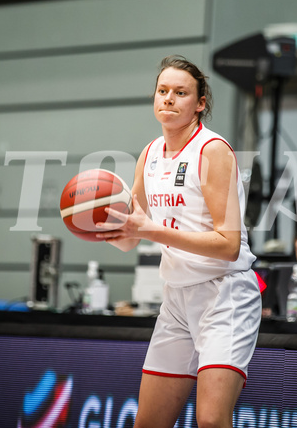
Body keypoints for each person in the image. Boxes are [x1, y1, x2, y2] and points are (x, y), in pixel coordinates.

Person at [96, 55, 261, 428]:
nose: (168, 98)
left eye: (181, 92)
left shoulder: (212, 150)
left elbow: (228, 244)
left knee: (210, 420)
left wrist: (150, 231)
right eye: (162, 90)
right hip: (176, 299)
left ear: (200, 104)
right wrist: (99, 227)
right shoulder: (150, 154)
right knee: (149, 423)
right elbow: (130, 237)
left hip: (224, 295)